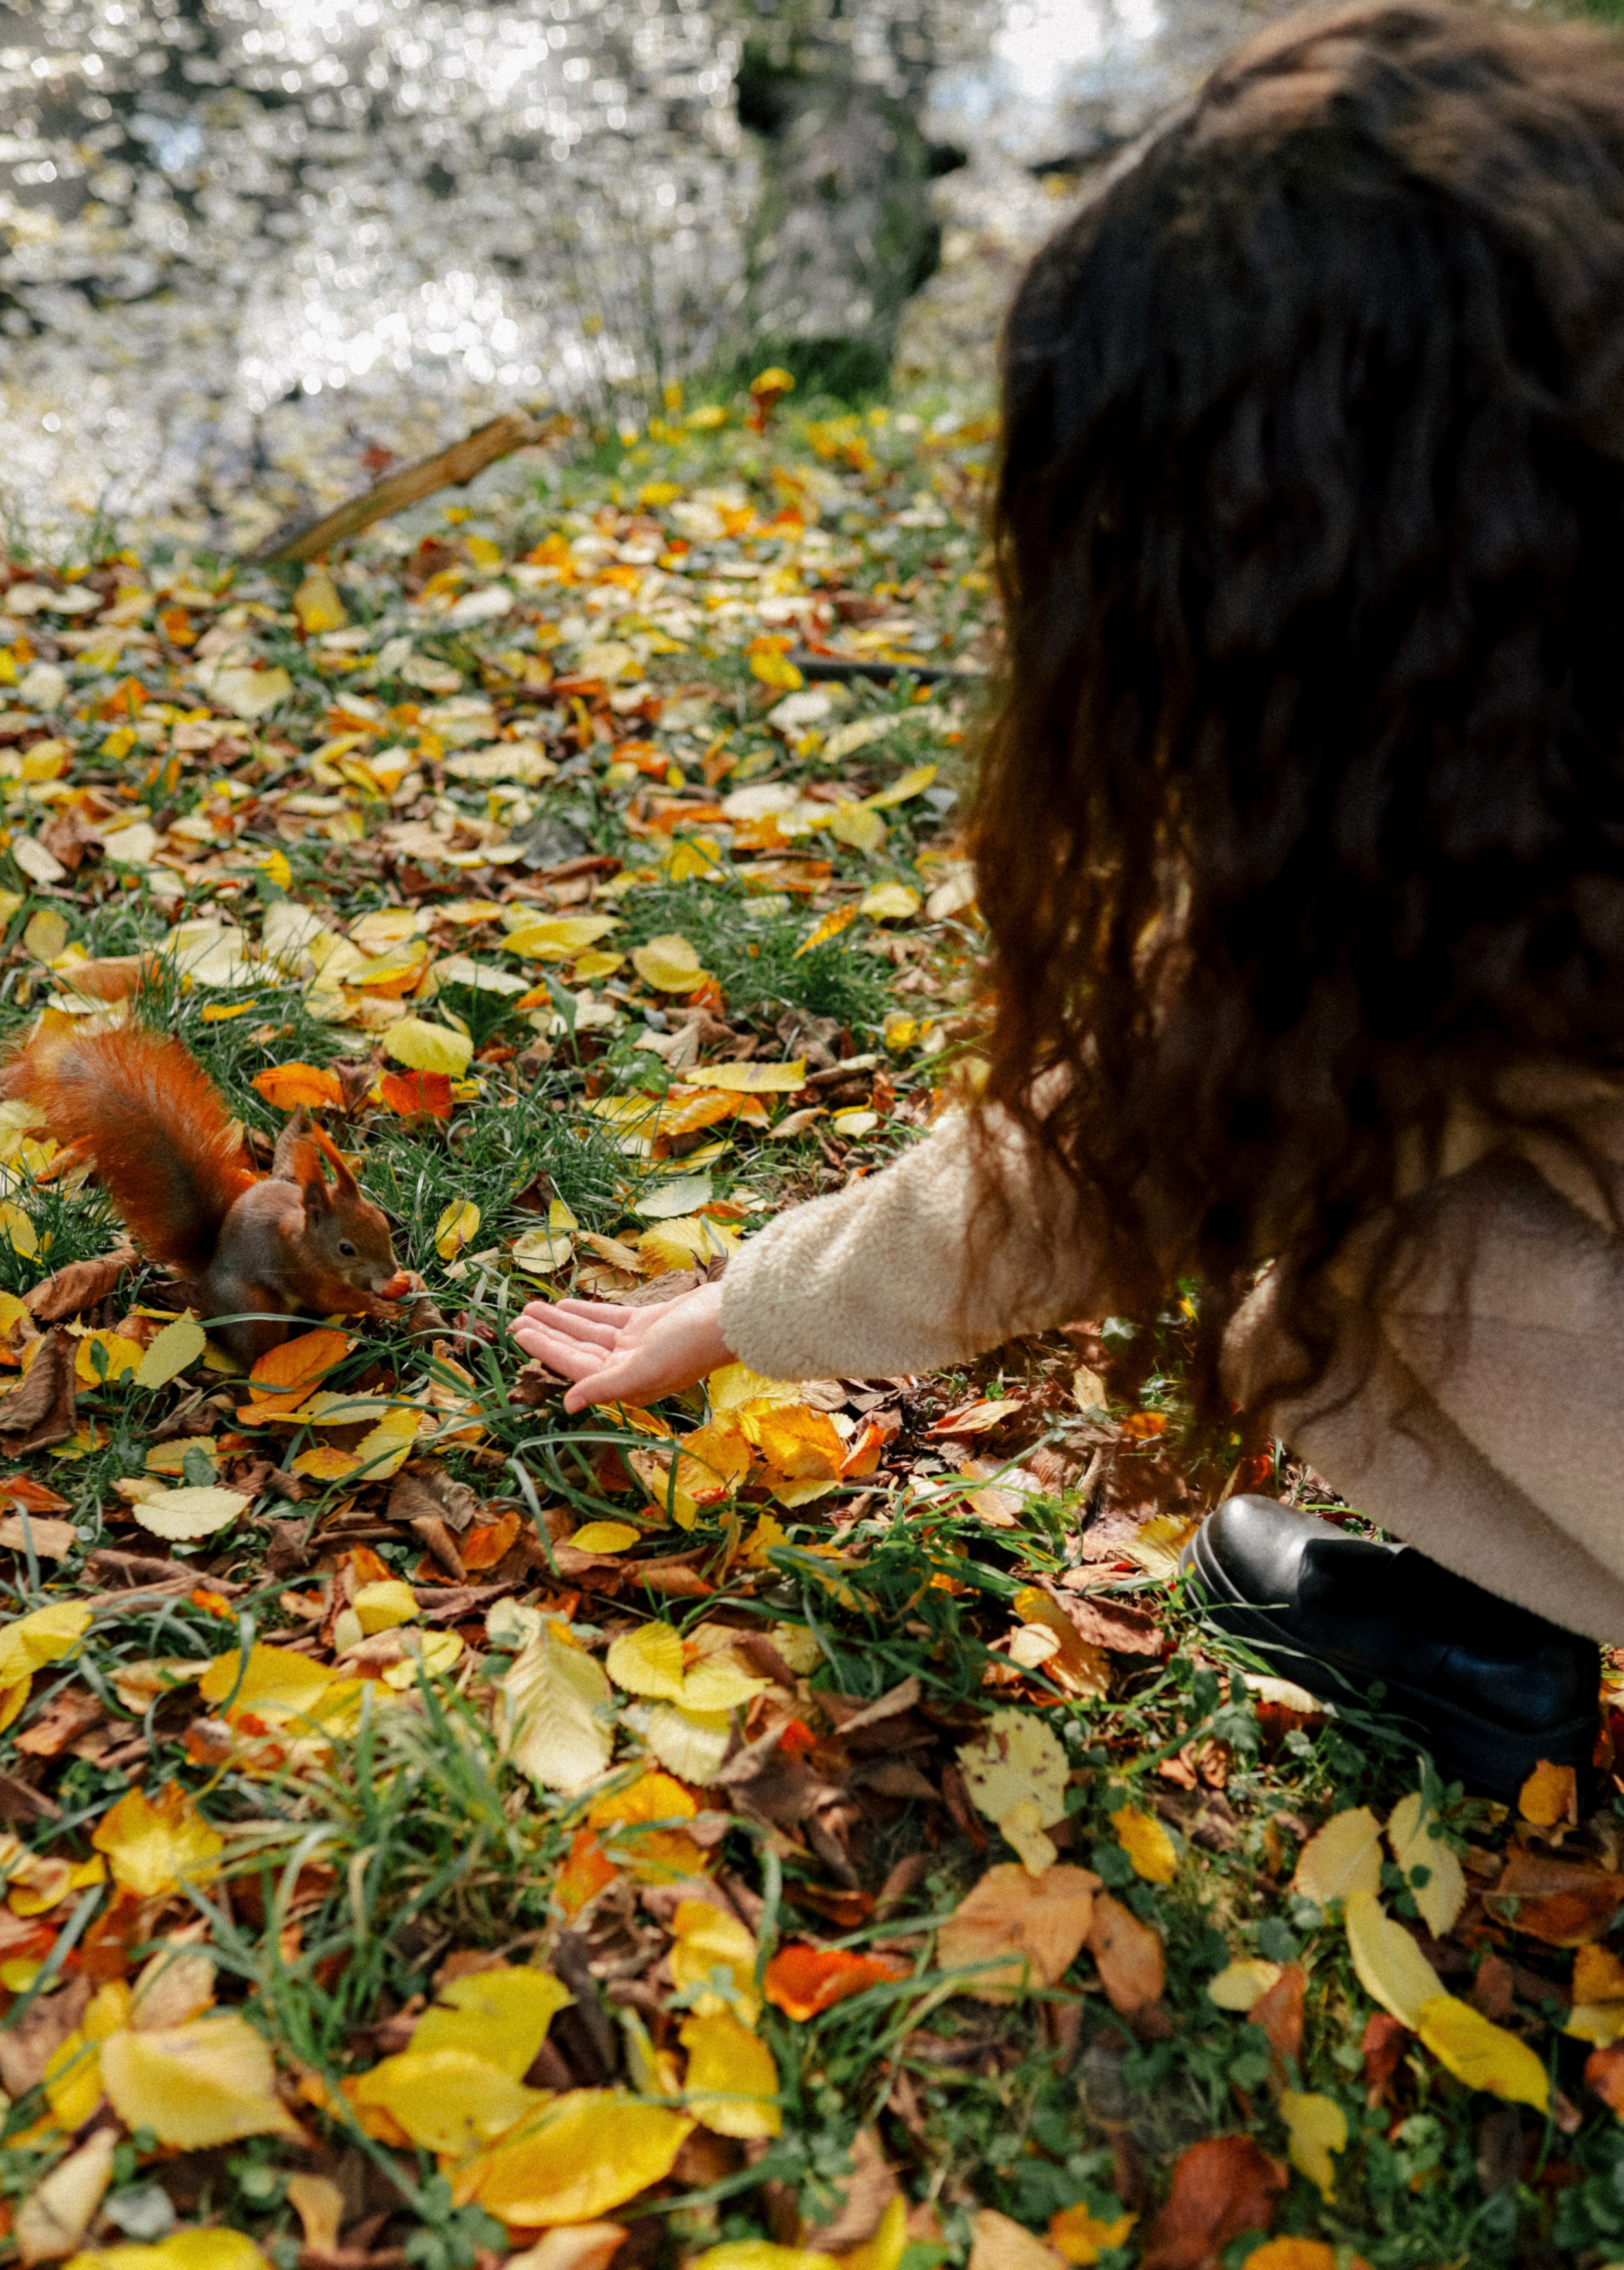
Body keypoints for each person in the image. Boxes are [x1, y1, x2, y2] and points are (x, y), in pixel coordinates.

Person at [516, 0, 1624, 1803]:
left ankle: (1486, 1613)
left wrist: (739, 1310)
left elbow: (1103, 1150)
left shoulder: (1444, 869)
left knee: (1351, 1251)